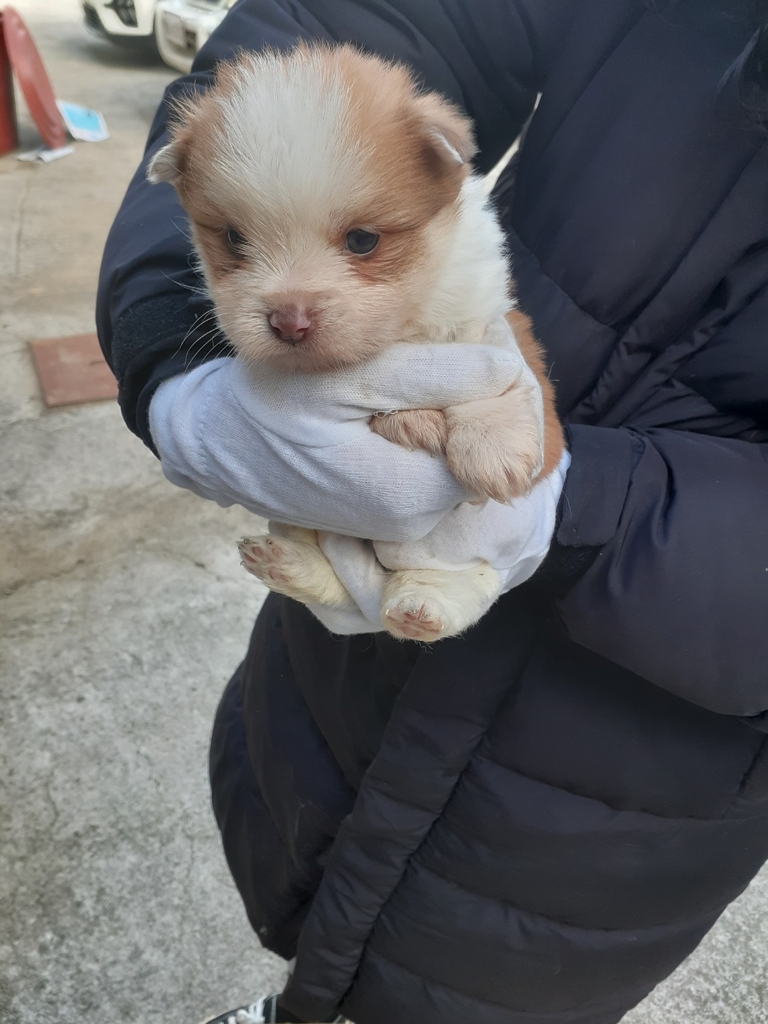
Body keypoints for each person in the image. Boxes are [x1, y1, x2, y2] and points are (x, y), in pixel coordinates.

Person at [96, 1, 768, 1022]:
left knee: (487, 991)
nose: (287, 301)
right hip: (346, 694)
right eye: (237, 247)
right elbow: (360, 17)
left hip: (631, 774)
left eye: (359, 240)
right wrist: (174, 363)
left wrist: (571, 502)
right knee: (302, 887)